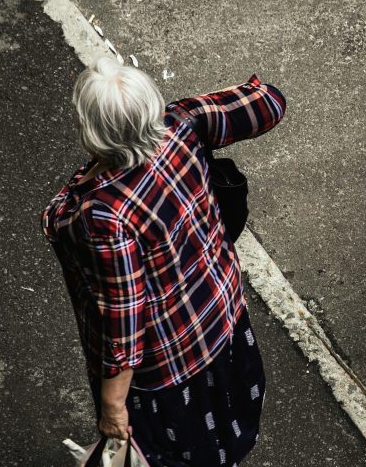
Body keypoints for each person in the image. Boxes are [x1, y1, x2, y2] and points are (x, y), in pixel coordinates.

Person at [43, 56, 286, 466]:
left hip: (169, 367)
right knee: (223, 439)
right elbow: (269, 103)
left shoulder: (105, 215)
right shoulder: (185, 124)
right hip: (221, 318)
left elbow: (124, 317)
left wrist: (113, 406)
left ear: (92, 130)